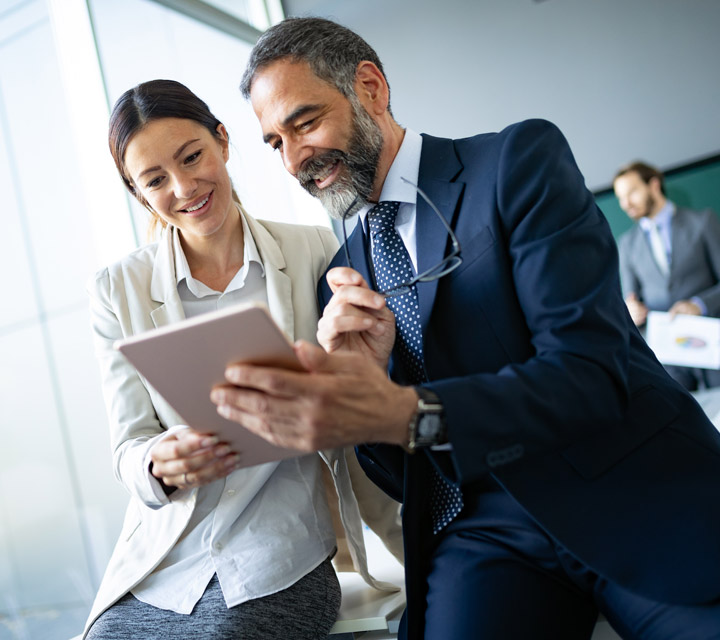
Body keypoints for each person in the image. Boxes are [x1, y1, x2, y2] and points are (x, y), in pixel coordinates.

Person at [207, 17, 720, 640]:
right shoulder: (342, 276)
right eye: (274, 143)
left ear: (370, 87)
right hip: (485, 533)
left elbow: (591, 374)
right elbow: (403, 474)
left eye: (305, 123)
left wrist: (402, 409)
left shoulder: (515, 162)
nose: (294, 160)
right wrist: (361, 382)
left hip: (628, 488)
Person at [79, 79, 402, 640]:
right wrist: (160, 461)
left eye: (192, 156)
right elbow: (127, 448)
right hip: (166, 564)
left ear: (224, 142)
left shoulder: (315, 252)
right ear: (138, 194)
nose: (183, 187)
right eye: (156, 180)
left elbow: (367, 388)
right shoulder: (117, 290)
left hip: (279, 555)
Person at [614, 160, 720, 390]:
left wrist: (699, 304)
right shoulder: (627, 245)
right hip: (669, 361)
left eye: (632, 193)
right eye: (620, 198)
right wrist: (630, 311)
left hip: (713, 346)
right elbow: (630, 300)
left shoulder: (703, 221)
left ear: (653, 185)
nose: (625, 204)